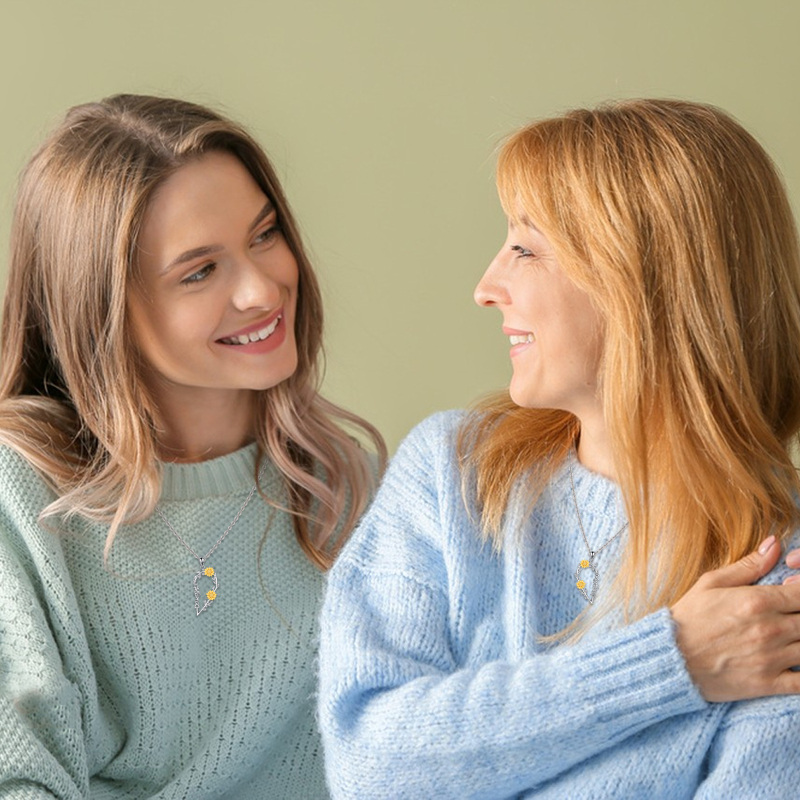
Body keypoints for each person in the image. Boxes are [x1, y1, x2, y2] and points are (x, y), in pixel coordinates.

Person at [318, 99, 800, 798]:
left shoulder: (779, 569)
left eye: (525, 248)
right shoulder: (451, 471)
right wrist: (672, 663)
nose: (486, 289)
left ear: (639, 283)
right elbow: (372, 765)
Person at [0, 94, 384, 798]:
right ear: (101, 308)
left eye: (265, 235)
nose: (263, 289)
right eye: (200, 272)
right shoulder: (20, 493)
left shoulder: (354, 489)